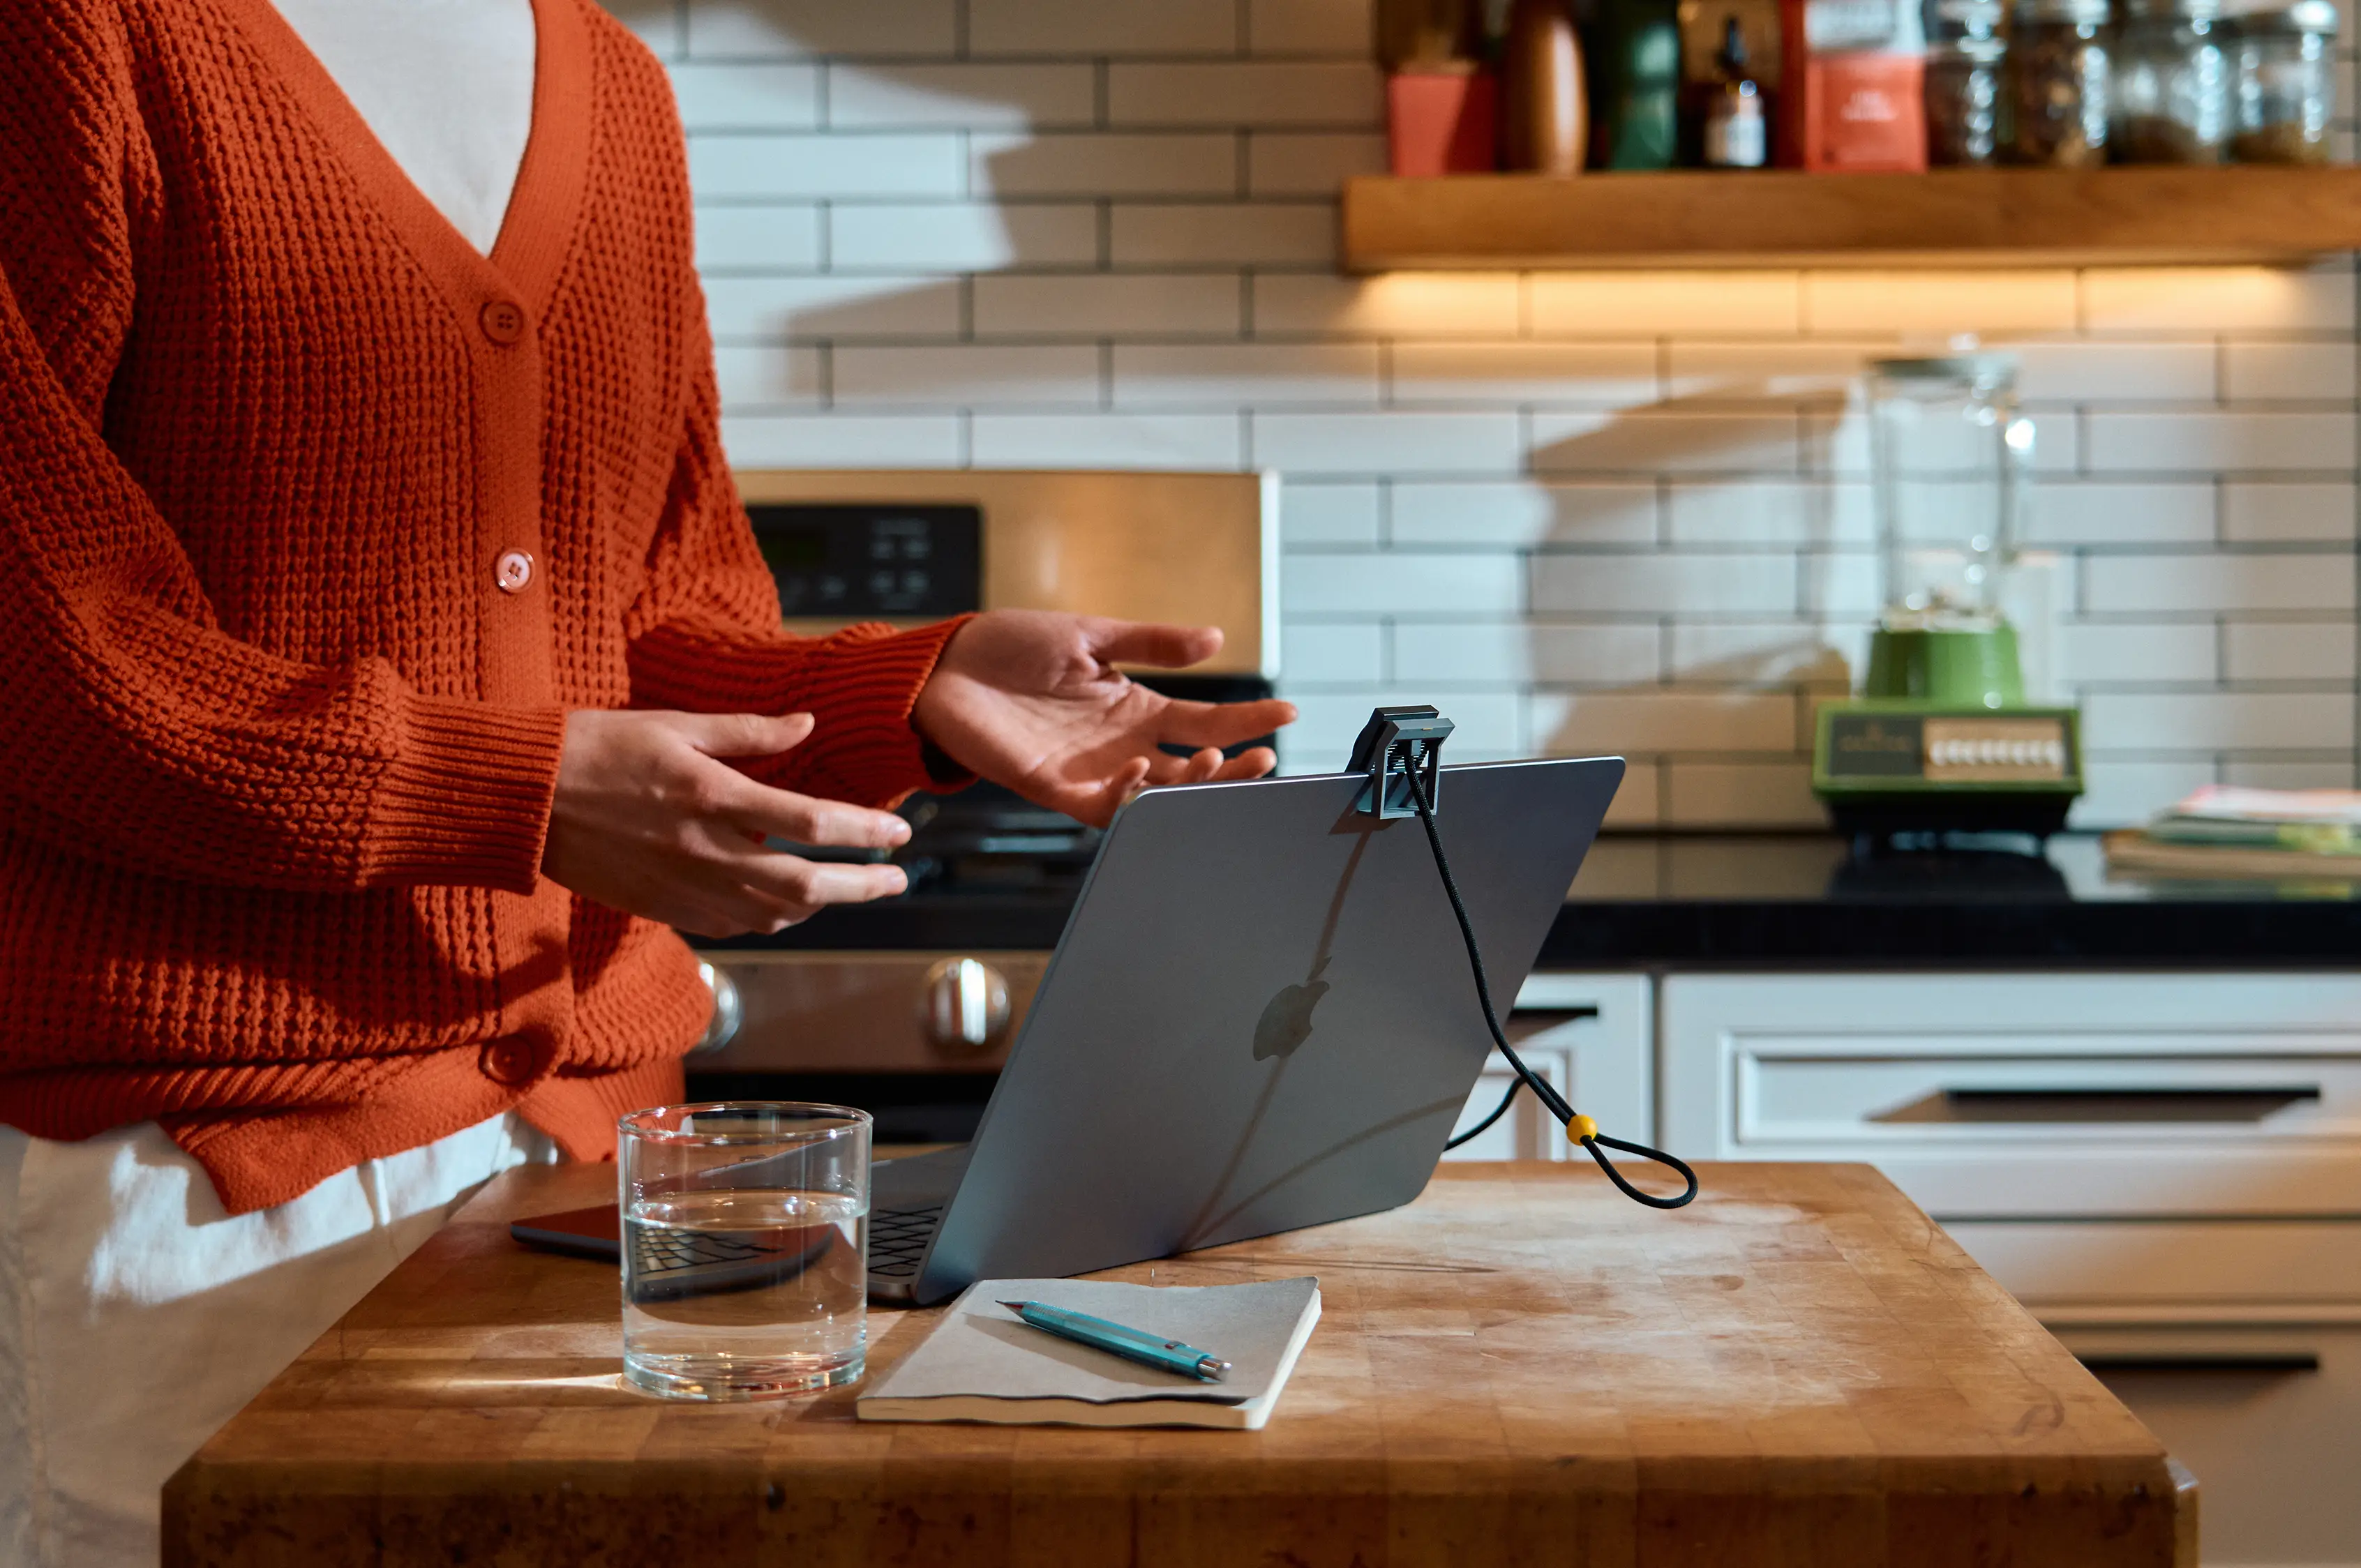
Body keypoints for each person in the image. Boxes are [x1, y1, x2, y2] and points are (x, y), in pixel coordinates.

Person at [0, 1, 1296, 1562]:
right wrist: (521, 790)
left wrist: (908, 692)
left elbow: (657, 628)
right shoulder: (75, 41)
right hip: (209, 1184)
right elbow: (46, 655)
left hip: (590, 1168)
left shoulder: (611, 85)